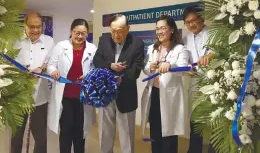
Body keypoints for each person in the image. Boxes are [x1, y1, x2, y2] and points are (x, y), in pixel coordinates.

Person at [93, 14, 145, 153]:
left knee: (127, 133)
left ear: (128, 29)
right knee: (105, 131)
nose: (116, 34)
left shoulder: (137, 44)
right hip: (105, 93)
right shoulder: (104, 40)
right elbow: (97, 61)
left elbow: (136, 70)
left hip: (126, 93)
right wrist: (110, 66)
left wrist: (121, 78)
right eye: (113, 30)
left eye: (120, 30)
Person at [141, 15, 189, 153]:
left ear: (172, 29)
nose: (159, 32)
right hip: (154, 94)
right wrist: (150, 67)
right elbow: (145, 70)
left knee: (169, 134)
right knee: (155, 131)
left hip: (170, 96)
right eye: (157, 29)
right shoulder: (152, 48)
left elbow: (183, 68)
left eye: (163, 28)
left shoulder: (180, 49)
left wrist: (170, 64)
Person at [47, 19, 96, 153]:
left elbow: (97, 69)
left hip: (83, 97)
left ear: (87, 33)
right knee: (66, 130)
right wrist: (53, 71)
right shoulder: (61, 46)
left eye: (83, 33)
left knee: (80, 132)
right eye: (76, 33)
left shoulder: (92, 48)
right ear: (71, 32)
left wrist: (89, 75)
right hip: (66, 96)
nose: (80, 36)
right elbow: (51, 65)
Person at [11, 12, 55, 153]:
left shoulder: (49, 41)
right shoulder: (15, 41)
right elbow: (6, 64)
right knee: (16, 136)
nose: (36, 30)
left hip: (40, 97)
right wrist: (20, 73)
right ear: (25, 25)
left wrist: (41, 68)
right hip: (18, 96)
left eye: (39, 27)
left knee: (41, 139)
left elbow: (52, 63)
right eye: (32, 27)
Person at [182, 5, 215, 153]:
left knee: (215, 118)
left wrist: (211, 56)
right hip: (195, 83)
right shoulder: (185, 39)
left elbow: (222, 53)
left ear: (201, 18)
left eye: (194, 20)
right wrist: (186, 68)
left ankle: (214, 149)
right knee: (195, 120)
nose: (191, 24)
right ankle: (194, 149)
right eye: (187, 22)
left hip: (214, 83)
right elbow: (182, 61)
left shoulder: (214, 33)